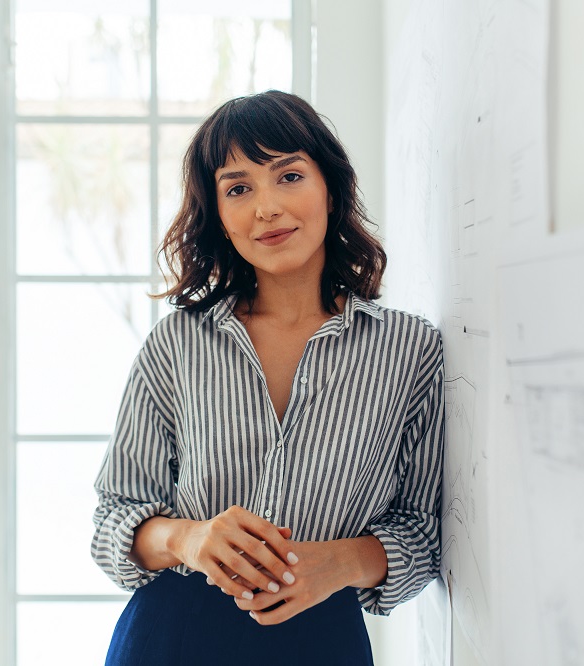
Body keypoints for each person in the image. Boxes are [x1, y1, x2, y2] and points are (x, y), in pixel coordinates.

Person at [91, 90, 444, 665]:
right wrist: (190, 538)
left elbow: (423, 534)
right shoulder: (177, 344)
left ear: (331, 186)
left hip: (321, 638)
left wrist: (343, 561)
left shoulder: (411, 350)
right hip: (172, 636)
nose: (267, 208)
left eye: (288, 176)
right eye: (238, 188)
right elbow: (113, 521)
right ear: (219, 215)